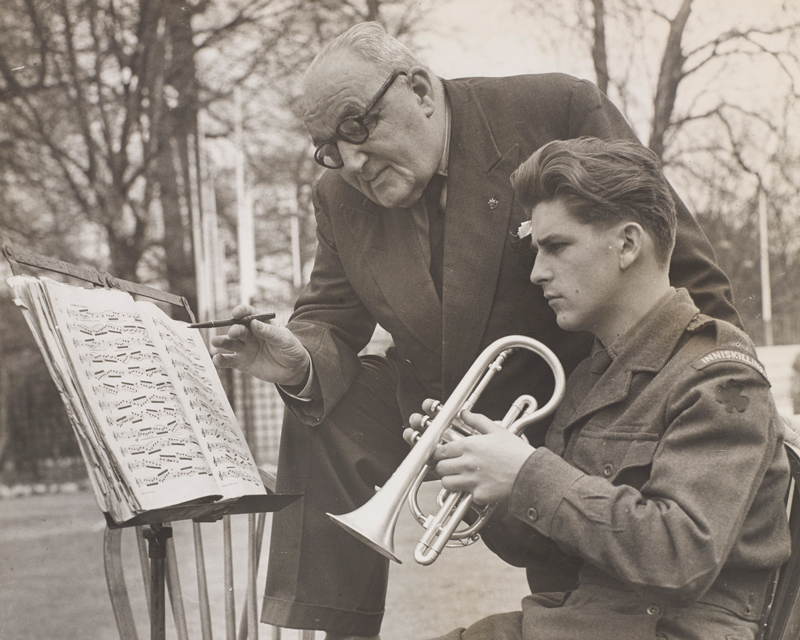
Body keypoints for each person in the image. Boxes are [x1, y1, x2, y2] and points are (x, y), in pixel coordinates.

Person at [211, 22, 742, 640]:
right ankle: (335, 628)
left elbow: (681, 263)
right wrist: (298, 362)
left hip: (591, 405)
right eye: (328, 146)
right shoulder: (338, 196)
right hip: (448, 406)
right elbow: (328, 321)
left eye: (357, 126)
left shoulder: (555, 108)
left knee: (586, 614)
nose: (350, 160)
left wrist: (731, 396)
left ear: (419, 91)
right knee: (324, 404)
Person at [414, 137, 791, 640]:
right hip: (579, 622)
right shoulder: (594, 374)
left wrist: (527, 473)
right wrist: (482, 481)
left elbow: (681, 558)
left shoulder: (719, 375)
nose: (536, 271)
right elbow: (557, 550)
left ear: (628, 245)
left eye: (557, 246)